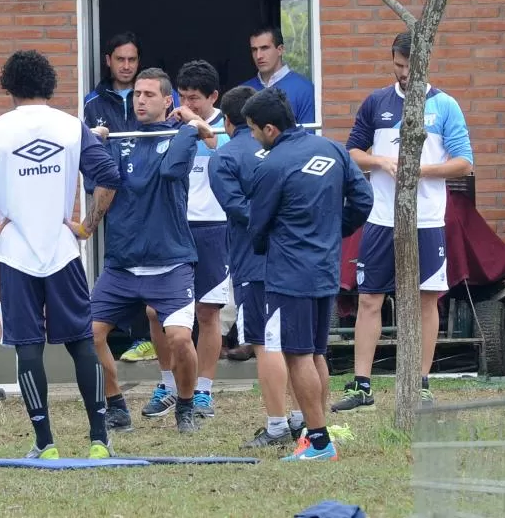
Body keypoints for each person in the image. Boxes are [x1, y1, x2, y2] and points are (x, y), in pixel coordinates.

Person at [0, 50, 121, 459]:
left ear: (8, 87)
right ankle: (99, 440)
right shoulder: (70, 127)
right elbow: (109, 177)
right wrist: (86, 226)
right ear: (50, 84)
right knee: (81, 342)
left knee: (28, 347)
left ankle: (45, 444)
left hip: (15, 254)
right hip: (63, 250)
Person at [333, 31, 474, 412]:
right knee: (368, 299)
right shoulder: (376, 101)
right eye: (397, 66)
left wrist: (419, 170)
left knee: (427, 301)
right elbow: (351, 154)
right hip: (380, 218)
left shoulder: (445, 106)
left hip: (427, 220)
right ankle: (362, 385)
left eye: (410, 67)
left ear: (426, 62)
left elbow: (465, 162)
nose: (403, 74)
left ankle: (422, 383)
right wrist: (380, 161)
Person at [245, 87, 373, 461]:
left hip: (289, 273)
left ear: (270, 128)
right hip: (325, 268)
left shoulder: (271, 165)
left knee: (297, 355)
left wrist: (264, 247)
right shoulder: (332, 148)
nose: (253, 136)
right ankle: (320, 433)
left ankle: (318, 442)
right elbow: (362, 200)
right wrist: (334, 231)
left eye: (253, 129)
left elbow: (257, 225)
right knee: (316, 352)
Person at [90, 67, 212, 433]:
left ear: (167, 101)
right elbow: (97, 180)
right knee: (88, 334)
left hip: (170, 262)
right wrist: (93, 144)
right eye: (137, 95)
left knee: (179, 339)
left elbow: (173, 171)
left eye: (148, 95)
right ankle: (115, 406)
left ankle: (186, 405)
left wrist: (191, 126)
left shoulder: (180, 136)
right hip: (123, 264)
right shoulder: (120, 140)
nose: (140, 100)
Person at [209, 85, 306, 447]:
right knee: (299, 344)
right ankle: (303, 419)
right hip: (296, 258)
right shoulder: (286, 147)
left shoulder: (226, 157)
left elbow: (239, 211)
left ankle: (278, 424)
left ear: (229, 120)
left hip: (254, 259)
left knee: (266, 343)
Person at [141, 60, 231, 420]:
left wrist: (197, 126)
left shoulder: (227, 127)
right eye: (183, 97)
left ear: (213, 97)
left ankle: (204, 392)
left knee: (207, 312)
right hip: (173, 228)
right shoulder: (170, 126)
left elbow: (231, 160)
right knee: (154, 310)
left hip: (213, 228)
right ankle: (167, 383)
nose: (187, 105)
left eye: (195, 99)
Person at [83, 31, 176, 364]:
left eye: (132, 60)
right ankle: (128, 336)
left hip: (151, 194)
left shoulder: (158, 95)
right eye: (120, 59)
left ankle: (146, 340)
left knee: (153, 265)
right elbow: (90, 154)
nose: (126, 66)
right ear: (108, 61)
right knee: (122, 264)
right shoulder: (93, 102)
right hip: (113, 194)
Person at [241, 26, 316, 124]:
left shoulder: (304, 89)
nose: (258, 56)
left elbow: (308, 136)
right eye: (254, 50)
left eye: (264, 48)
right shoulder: (243, 91)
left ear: (280, 50)